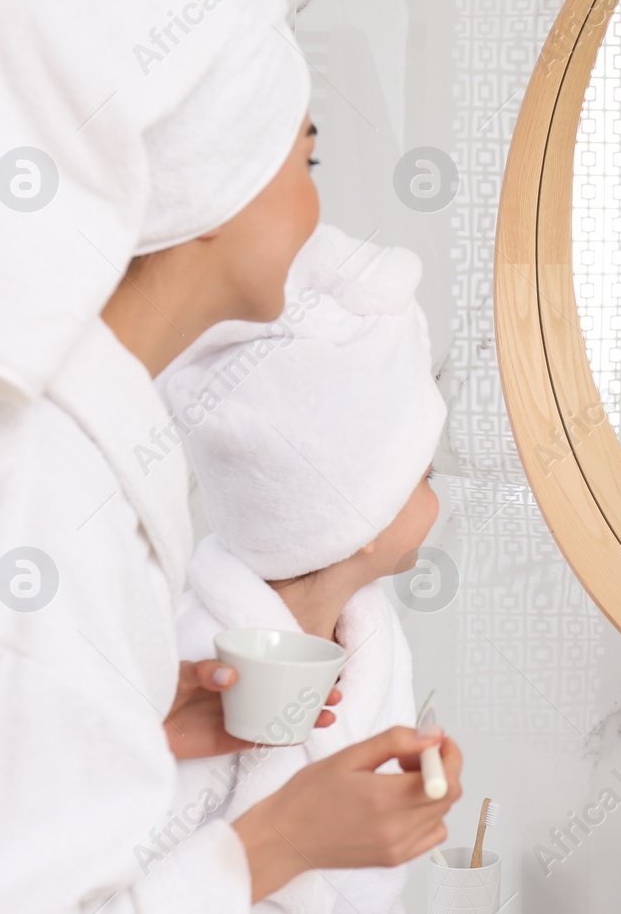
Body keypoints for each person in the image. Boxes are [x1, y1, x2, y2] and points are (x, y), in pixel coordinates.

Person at [0, 0, 460, 910]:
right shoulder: (33, 508)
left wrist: (118, 712)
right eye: (302, 158)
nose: (313, 209)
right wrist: (271, 845)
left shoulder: (10, 468)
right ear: (206, 187)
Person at [158, 223, 446, 914]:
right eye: (424, 473)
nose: (438, 494)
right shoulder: (203, 662)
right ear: (353, 521)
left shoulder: (373, 642)